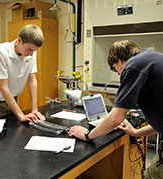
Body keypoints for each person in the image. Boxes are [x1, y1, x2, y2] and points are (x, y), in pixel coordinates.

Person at [68, 40, 163, 179]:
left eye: (114, 68)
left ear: (119, 60)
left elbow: (116, 118)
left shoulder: (133, 66)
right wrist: (137, 132)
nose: (118, 74)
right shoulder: (152, 58)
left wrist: (87, 135)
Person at [0, 24, 45, 122]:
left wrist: (34, 109)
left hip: (13, 100)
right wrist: (21, 116)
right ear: (19, 40)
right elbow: (3, 87)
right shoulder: (1, 52)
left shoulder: (31, 52)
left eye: (35, 50)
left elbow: (32, 80)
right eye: (29, 49)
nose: (32, 54)